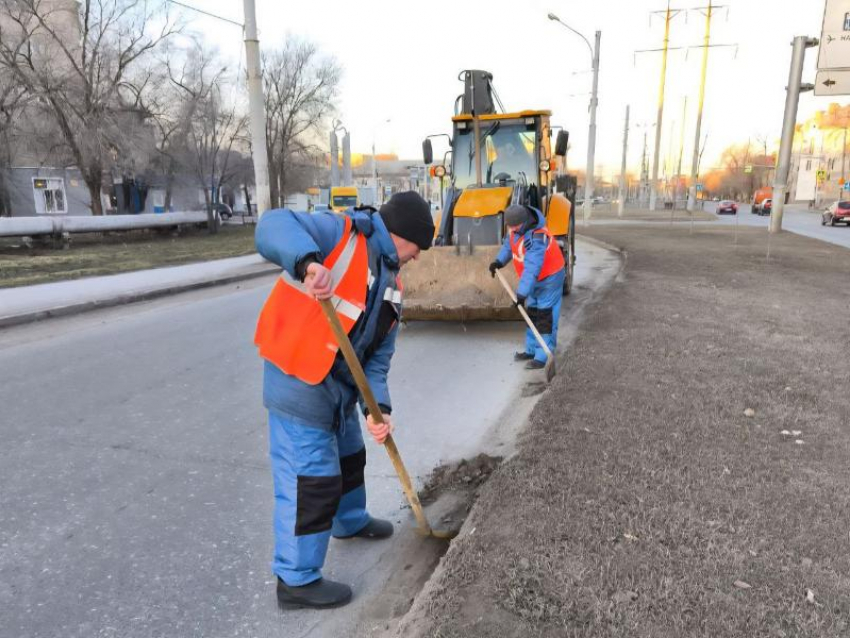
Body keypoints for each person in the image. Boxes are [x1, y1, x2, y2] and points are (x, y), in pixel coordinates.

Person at [254, 191, 435, 609]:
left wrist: (380, 410)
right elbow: (271, 224)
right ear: (402, 235)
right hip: (298, 376)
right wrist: (308, 262)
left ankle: (348, 521)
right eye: (419, 246)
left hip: (339, 387)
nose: (419, 256)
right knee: (312, 479)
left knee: (351, 455)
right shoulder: (342, 233)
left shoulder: (391, 282)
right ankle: (296, 580)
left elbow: (378, 359)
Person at [488, 204, 566, 369]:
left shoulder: (537, 238)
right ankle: (532, 349)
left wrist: (521, 294)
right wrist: (499, 261)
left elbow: (532, 267)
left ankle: (543, 355)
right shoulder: (515, 231)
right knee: (532, 313)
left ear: (519, 224)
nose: (509, 229)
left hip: (550, 278)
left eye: (511, 226)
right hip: (535, 280)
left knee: (545, 316)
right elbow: (509, 246)